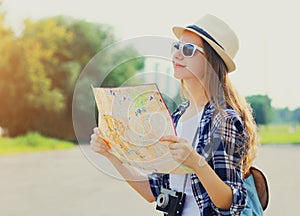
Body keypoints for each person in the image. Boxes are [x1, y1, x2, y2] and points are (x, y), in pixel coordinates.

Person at [90, 14, 261, 215]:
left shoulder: (224, 119)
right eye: (177, 47)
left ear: (212, 62)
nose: (177, 55)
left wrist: (197, 163)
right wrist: (111, 154)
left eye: (188, 50)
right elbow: (152, 192)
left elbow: (230, 202)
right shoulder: (178, 116)